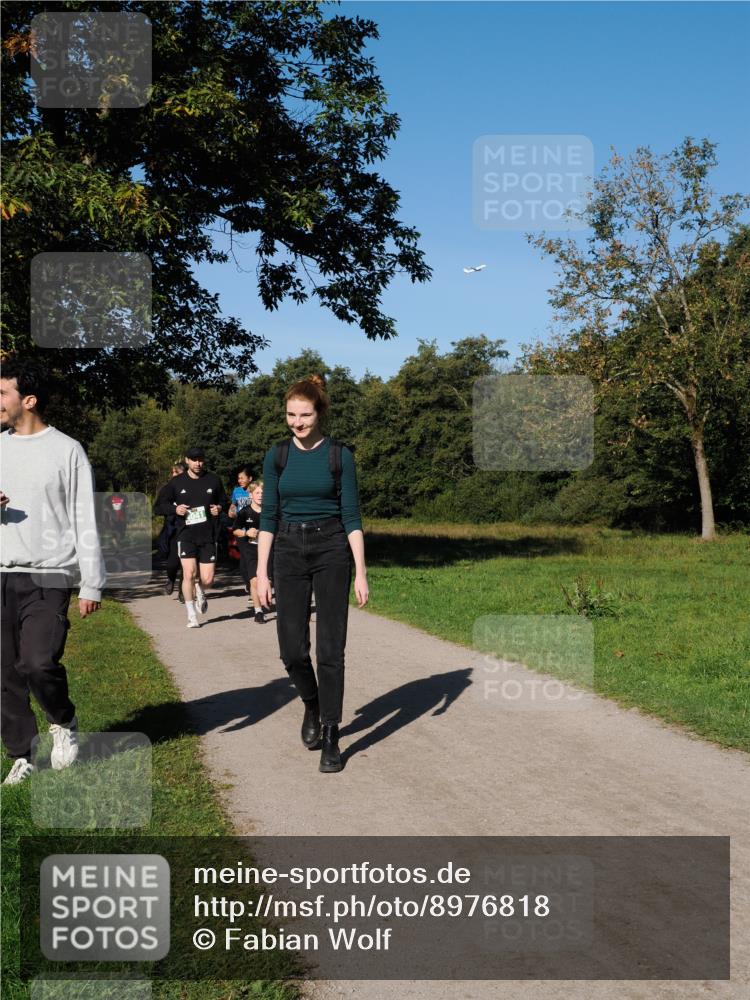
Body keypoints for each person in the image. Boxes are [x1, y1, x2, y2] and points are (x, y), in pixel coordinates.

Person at [0, 359, 106, 785]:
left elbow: (86, 520)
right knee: (5, 672)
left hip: (50, 574)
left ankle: (63, 720)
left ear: (28, 399)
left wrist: (92, 582)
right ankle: (21, 754)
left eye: (2, 393)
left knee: (38, 662)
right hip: (1, 571)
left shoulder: (67, 451)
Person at [256, 374, 368, 774]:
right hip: (287, 549)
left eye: (304, 414)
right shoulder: (277, 456)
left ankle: (332, 733)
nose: (297, 422)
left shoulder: (340, 455)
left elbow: (352, 517)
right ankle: (311, 702)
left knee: (330, 650)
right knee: (291, 649)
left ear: (320, 413)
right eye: (291, 415)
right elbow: (268, 516)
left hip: (332, 549)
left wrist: (361, 572)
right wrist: (261, 573)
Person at [159, 447, 226, 628]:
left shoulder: (213, 480)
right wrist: (175, 509)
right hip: (186, 534)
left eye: (201, 459)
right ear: (187, 460)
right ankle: (191, 615)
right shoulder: (176, 482)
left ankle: (200, 590)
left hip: (208, 534)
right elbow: (160, 505)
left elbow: (223, 501)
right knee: (189, 574)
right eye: (194, 459)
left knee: (208, 579)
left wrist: (218, 509)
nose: (198, 463)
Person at [233, 481, 274, 623]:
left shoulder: (271, 511)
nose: (261, 496)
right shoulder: (245, 512)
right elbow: (235, 530)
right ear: (250, 495)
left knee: (268, 580)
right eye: (257, 493)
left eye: (263, 493)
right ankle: (258, 612)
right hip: (250, 549)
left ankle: (267, 601)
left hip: (269, 550)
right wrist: (246, 532)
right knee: (255, 581)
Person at [155, 462, 187, 598]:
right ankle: (171, 578)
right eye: (173, 472)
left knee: (187, 564)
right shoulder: (166, 489)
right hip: (173, 530)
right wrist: (174, 509)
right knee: (173, 563)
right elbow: (157, 509)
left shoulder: (193, 488)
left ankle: (183, 590)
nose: (174, 475)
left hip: (190, 530)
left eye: (177, 472)